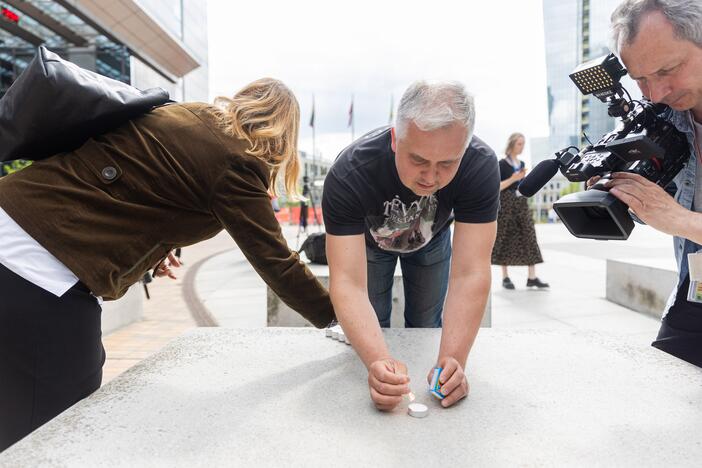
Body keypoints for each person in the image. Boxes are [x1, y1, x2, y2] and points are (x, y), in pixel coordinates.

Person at [0, 78, 335, 451]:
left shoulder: (180, 114)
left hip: (14, 214)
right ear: (283, 134)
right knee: (65, 416)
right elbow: (278, 264)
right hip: (35, 262)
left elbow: (130, 186)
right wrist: (340, 319)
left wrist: (152, 249)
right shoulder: (238, 162)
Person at [322, 81, 500, 411]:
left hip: (431, 241)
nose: (431, 178)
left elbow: (471, 272)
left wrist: (454, 361)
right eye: (418, 159)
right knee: (374, 321)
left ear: (464, 148)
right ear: (395, 139)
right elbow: (347, 283)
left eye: (448, 163)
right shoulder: (350, 172)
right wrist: (377, 363)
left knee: (426, 320)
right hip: (370, 245)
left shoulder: (481, 164)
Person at [599, 0, 702, 366]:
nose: (655, 93)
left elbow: (676, 216)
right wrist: (630, 192)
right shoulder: (666, 117)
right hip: (695, 293)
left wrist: (681, 221)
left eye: (668, 69)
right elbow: (668, 204)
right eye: (640, 78)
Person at [491, 133, 549, 290]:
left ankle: (532, 276)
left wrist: (524, 179)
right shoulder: (502, 164)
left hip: (521, 203)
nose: (522, 147)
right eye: (519, 144)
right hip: (506, 204)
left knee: (529, 235)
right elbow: (497, 187)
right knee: (505, 236)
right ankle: (505, 277)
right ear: (511, 145)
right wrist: (514, 178)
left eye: (523, 144)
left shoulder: (522, 163)